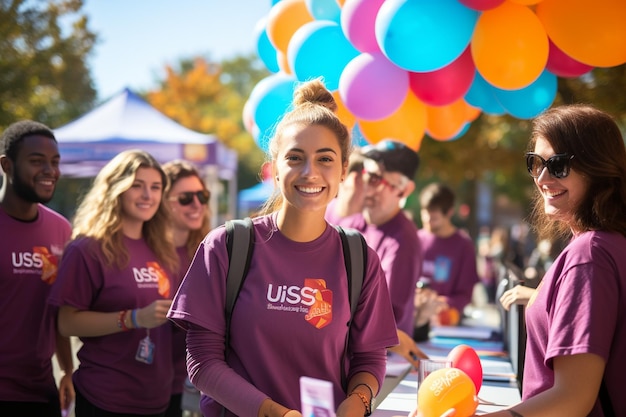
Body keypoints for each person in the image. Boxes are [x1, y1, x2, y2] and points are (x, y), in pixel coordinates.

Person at [167, 79, 399, 417]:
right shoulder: (226, 246)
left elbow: (369, 358)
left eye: (325, 159)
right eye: (295, 158)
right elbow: (202, 362)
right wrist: (275, 413)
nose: (310, 172)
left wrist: (358, 401)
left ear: (344, 170)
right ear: (274, 169)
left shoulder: (359, 257)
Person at [474, 104, 626, 417]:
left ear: (596, 168)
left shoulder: (590, 254)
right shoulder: (607, 244)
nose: (542, 177)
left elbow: (573, 398)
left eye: (557, 165)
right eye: (536, 163)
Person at [48, 149, 180, 416]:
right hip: (106, 397)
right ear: (115, 189)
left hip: (157, 397)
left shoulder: (163, 249)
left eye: (155, 187)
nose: (148, 195)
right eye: (137, 186)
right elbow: (66, 322)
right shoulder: (87, 249)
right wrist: (132, 318)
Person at [326, 139, 428, 366]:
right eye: (368, 176)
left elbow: (384, 319)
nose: (369, 188)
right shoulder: (349, 216)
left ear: (405, 190)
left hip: (378, 363)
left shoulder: (403, 241)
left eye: (378, 181)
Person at [0, 120, 75, 416]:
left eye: (54, 162)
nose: (49, 170)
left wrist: (67, 370)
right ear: (7, 165)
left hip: (41, 390)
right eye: (36, 161)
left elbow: (57, 309)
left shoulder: (60, 229)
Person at [163, 159, 211, 417]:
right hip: (147, 386)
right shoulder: (145, 252)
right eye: (185, 198)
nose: (197, 204)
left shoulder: (209, 251)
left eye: (202, 195)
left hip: (194, 384)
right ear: (163, 201)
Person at [415, 182, 480, 334]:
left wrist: (439, 303)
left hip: (446, 325)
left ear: (449, 212)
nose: (428, 223)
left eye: (434, 219)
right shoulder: (415, 240)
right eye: (425, 217)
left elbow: (465, 295)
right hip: (414, 321)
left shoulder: (464, 245)